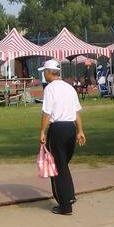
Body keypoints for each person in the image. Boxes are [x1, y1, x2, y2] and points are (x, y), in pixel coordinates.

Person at [38, 58, 86, 215]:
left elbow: (47, 112)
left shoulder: (50, 89)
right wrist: (80, 131)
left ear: (48, 72)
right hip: (70, 128)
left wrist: (43, 132)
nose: (44, 75)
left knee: (58, 167)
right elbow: (76, 112)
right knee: (63, 164)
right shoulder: (69, 88)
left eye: (44, 72)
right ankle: (68, 196)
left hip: (57, 129)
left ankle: (65, 203)